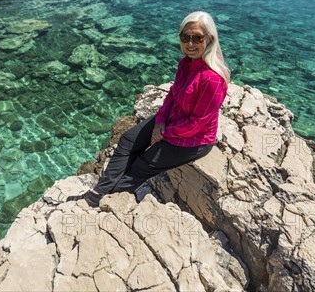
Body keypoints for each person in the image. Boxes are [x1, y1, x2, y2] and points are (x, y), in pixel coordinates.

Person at [73, 11, 230, 207]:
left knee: (142, 165)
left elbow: (197, 124)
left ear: (210, 39)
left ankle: (107, 200)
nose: (190, 44)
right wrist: (160, 121)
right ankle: (99, 191)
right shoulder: (186, 63)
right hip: (172, 120)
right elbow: (173, 93)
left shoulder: (212, 79)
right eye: (185, 37)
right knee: (129, 140)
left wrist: (165, 134)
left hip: (194, 140)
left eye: (197, 38)